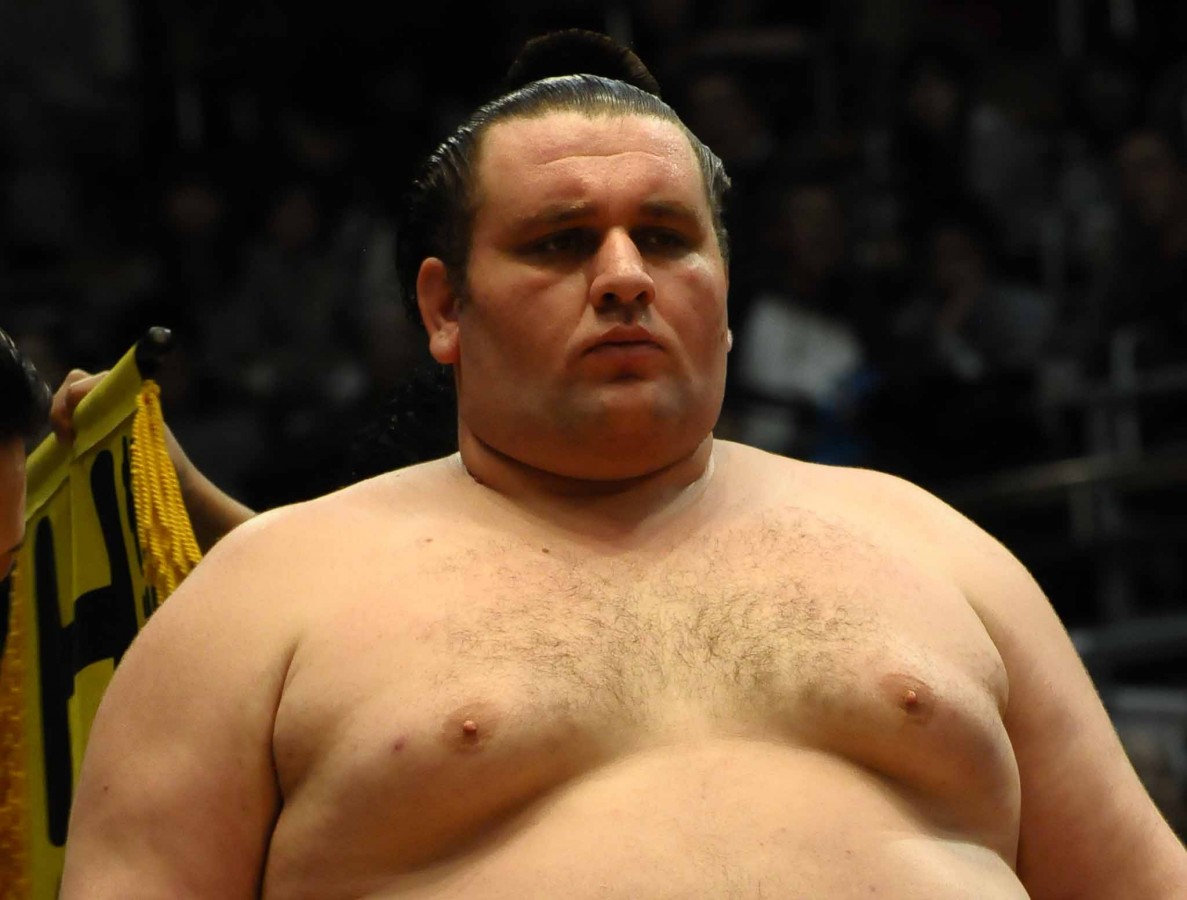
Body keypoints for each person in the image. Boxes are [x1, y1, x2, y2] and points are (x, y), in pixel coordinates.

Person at [59, 29, 1187, 899]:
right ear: (444, 309)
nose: (623, 276)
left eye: (665, 237)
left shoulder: (933, 546)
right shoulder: (263, 598)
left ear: (725, 292)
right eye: (559, 242)